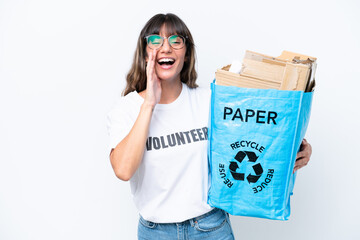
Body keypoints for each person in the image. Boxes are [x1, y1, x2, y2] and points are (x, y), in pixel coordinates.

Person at [107, 13, 312, 240]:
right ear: (145, 54)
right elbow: (123, 170)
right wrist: (149, 105)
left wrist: (298, 149)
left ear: (186, 55)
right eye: (155, 41)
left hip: (210, 227)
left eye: (175, 41)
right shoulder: (127, 109)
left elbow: (255, 135)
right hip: (156, 233)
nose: (165, 48)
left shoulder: (211, 101)